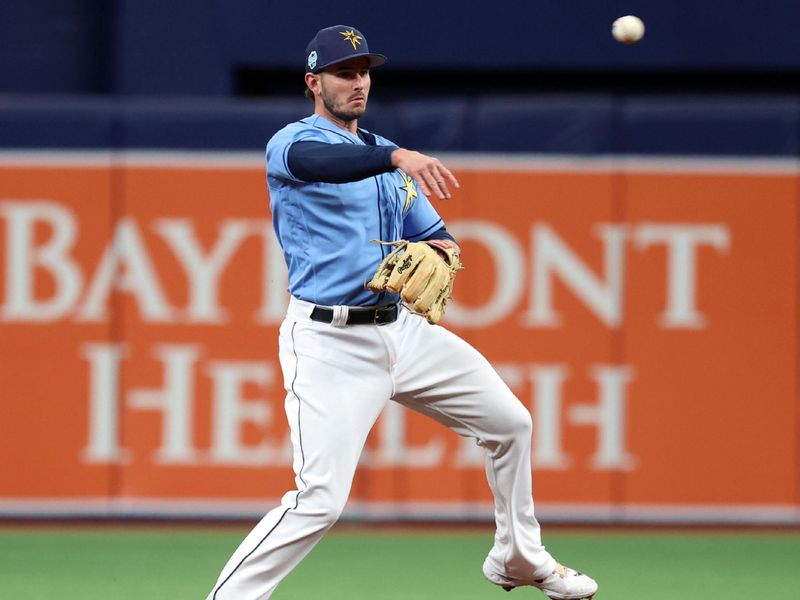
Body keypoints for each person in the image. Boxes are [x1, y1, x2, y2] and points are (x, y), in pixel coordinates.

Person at [206, 25, 598, 600]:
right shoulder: (292, 144)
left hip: (404, 332)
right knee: (320, 499)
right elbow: (325, 164)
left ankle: (518, 556)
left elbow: (436, 233)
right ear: (314, 83)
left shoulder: (385, 160)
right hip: (329, 343)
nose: (358, 81)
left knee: (510, 425)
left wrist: (442, 253)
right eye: (344, 72)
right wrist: (395, 155)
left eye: (364, 71)